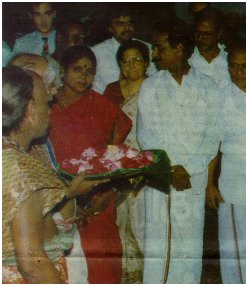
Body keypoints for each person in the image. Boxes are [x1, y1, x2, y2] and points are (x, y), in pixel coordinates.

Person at [2, 65, 106, 283]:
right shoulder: (21, 170)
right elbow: (32, 265)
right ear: (29, 111)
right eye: (46, 103)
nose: (51, 109)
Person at [137, 18, 219, 283]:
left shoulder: (208, 86)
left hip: (193, 178)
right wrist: (171, 168)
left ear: (179, 49)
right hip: (163, 176)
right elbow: (145, 135)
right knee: (159, 248)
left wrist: (189, 167)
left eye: (160, 48)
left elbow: (212, 136)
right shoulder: (150, 87)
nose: (155, 54)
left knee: (189, 248)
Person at [48, 45, 132, 284]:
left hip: (98, 197)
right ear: (62, 71)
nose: (84, 76)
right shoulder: (48, 105)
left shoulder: (103, 107)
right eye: (77, 69)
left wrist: (109, 191)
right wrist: (66, 198)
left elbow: (116, 155)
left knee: (103, 262)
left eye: (90, 71)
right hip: (58, 198)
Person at [206, 42, 246, 283]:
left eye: (245, 66)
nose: (239, 72)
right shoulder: (221, 97)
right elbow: (212, 144)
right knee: (235, 256)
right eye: (234, 66)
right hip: (234, 188)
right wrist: (209, 184)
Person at [104, 39, 150, 283]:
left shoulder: (155, 87)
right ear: (119, 65)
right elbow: (104, 128)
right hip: (117, 165)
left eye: (137, 59)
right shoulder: (111, 90)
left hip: (146, 164)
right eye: (125, 61)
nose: (131, 65)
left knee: (142, 226)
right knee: (120, 224)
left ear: (147, 62)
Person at [91, 7, 156, 94]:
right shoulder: (96, 53)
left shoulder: (148, 48)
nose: (127, 28)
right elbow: (94, 88)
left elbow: (155, 79)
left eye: (130, 23)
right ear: (110, 28)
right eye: (120, 24)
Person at [189, 7, 231, 88]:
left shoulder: (231, 60)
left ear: (219, 34)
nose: (200, 38)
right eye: (198, 33)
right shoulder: (188, 61)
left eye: (207, 35)